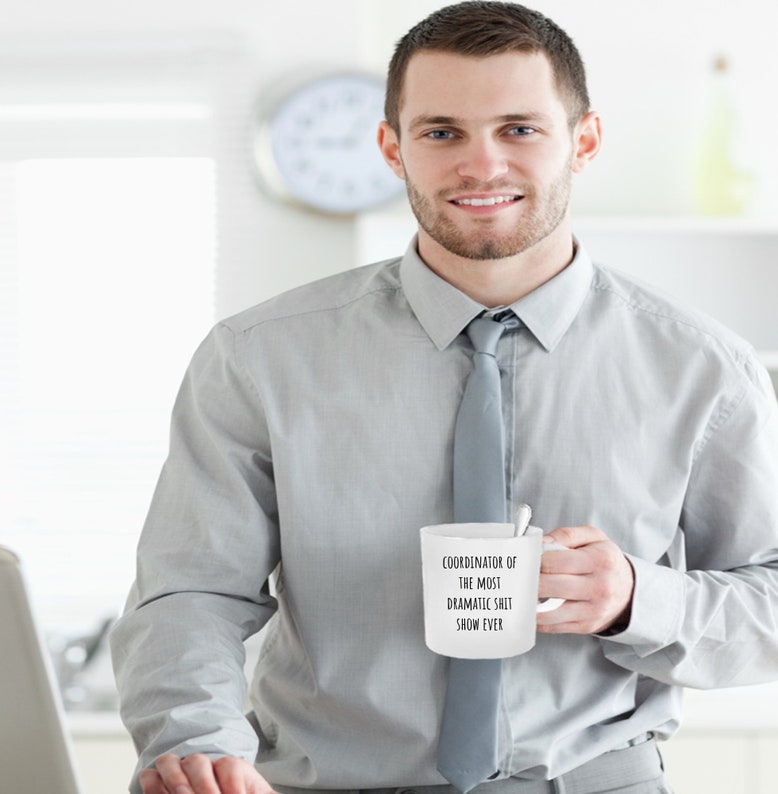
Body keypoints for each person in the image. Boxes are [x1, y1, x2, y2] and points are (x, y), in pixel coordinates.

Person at [110, 2, 778, 793]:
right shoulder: (257, 358)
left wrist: (641, 598)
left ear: (584, 141)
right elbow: (192, 591)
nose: (482, 164)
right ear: (393, 148)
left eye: (520, 129)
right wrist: (196, 742)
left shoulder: (704, 368)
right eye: (441, 132)